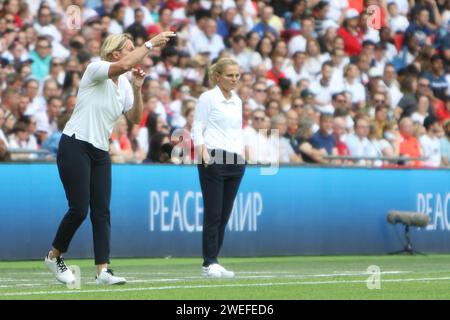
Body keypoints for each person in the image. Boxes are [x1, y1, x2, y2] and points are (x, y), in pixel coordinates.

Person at [44, 31, 176, 285]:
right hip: (75, 144)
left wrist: (137, 90)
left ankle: (102, 270)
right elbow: (125, 65)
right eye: (129, 48)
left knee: (102, 212)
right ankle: (53, 256)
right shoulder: (97, 68)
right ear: (115, 53)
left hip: (100, 150)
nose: (133, 52)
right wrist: (150, 43)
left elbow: (136, 118)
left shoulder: (125, 83)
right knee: (80, 209)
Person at [191, 58, 246, 278]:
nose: (234, 79)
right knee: (213, 213)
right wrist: (203, 153)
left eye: (237, 75)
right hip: (213, 157)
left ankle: (214, 259)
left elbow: (235, 131)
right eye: (230, 75)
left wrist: (242, 155)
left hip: (235, 160)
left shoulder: (238, 101)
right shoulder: (207, 98)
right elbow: (197, 126)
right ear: (217, 77)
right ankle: (209, 262)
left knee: (224, 214)